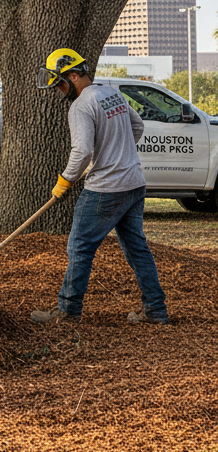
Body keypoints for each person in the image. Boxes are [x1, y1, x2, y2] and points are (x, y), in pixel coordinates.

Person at [30, 48, 168, 326]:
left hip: (106, 188)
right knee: (137, 248)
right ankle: (156, 310)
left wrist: (65, 180)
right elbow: (137, 126)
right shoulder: (111, 94)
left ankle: (67, 311)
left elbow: (81, 151)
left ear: (73, 75)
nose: (59, 90)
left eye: (59, 83)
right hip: (134, 183)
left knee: (80, 246)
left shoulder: (81, 106)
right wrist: (120, 153)